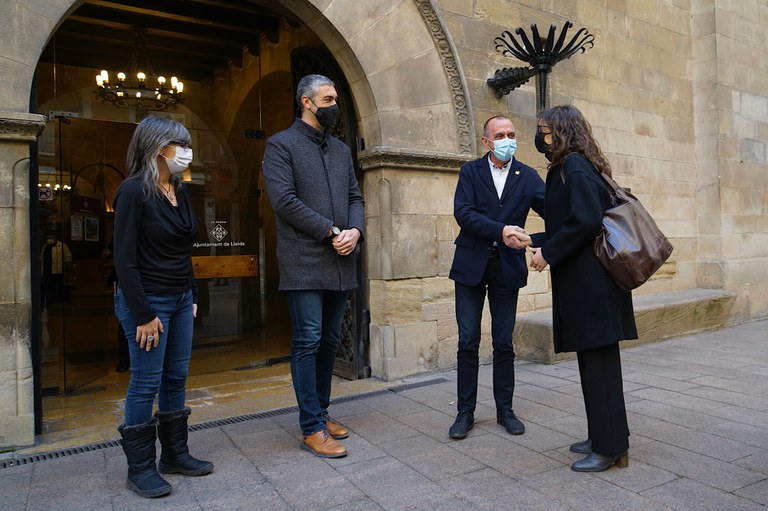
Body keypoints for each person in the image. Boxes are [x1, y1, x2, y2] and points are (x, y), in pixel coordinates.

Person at [513, 105, 637, 472]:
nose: (541, 137)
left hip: (593, 285)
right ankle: (604, 436)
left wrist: (547, 254)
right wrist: (534, 240)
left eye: (544, 130)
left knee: (599, 365)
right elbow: (568, 224)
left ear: (562, 130)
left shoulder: (576, 166)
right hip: (588, 282)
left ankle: (610, 448)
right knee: (594, 364)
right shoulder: (572, 166)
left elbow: (585, 222)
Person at [262, 74, 364, 459]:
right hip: (304, 260)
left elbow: (355, 196)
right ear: (306, 102)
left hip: (342, 259)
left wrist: (355, 231)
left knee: (330, 340)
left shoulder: (340, 150)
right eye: (328, 99)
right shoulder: (281, 144)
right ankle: (311, 427)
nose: (335, 105)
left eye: (335, 98)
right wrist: (331, 231)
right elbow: (284, 200)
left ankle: (321, 413)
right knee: (308, 340)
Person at [113, 117, 213, 498]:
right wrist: (142, 314)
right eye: (180, 145)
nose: (186, 152)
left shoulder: (179, 190)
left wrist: (193, 295)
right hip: (147, 301)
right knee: (145, 383)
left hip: (180, 298)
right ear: (157, 147)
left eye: (187, 144)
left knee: (176, 377)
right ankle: (140, 469)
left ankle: (175, 454)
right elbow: (124, 259)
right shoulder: (132, 192)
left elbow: (183, 252)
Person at [447, 115, 545, 440]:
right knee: (467, 341)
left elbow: (559, 215)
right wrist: (501, 230)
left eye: (511, 134)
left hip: (507, 267)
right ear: (486, 141)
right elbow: (464, 213)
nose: (507, 140)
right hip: (471, 265)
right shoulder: (470, 171)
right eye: (500, 135)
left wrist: (538, 242)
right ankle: (465, 412)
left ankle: (506, 410)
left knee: (504, 342)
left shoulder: (528, 176)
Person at [40, 230, 72, 310]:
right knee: (48, 289)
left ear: (55, 238)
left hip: (58, 272)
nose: (49, 239)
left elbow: (68, 257)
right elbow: (41, 259)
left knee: (57, 288)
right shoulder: (45, 247)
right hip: (47, 272)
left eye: (51, 237)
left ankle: (57, 304)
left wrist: (66, 268)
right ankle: (50, 304)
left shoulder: (62, 246)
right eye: (48, 238)